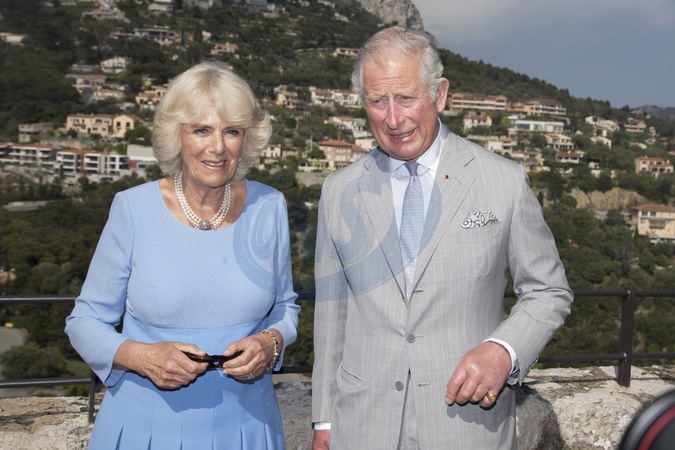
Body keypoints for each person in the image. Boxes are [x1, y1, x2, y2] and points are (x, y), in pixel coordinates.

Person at [311, 26, 573, 450]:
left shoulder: (503, 181)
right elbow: (331, 315)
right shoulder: (339, 190)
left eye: (406, 98)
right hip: (361, 428)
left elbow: (548, 291)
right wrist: (324, 421)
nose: (393, 119)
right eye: (377, 101)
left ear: (441, 94)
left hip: (467, 427)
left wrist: (503, 350)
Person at [65, 61, 300, 449]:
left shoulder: (270, 206)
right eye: (201, 130)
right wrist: (140, 357)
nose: (217, 147)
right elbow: (84, 321)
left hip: (248, 427)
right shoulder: (133, 208)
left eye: (232, 131)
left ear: (246, 139)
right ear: (177, 135)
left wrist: (270, 343)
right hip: (145, 429)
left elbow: (286, 308)